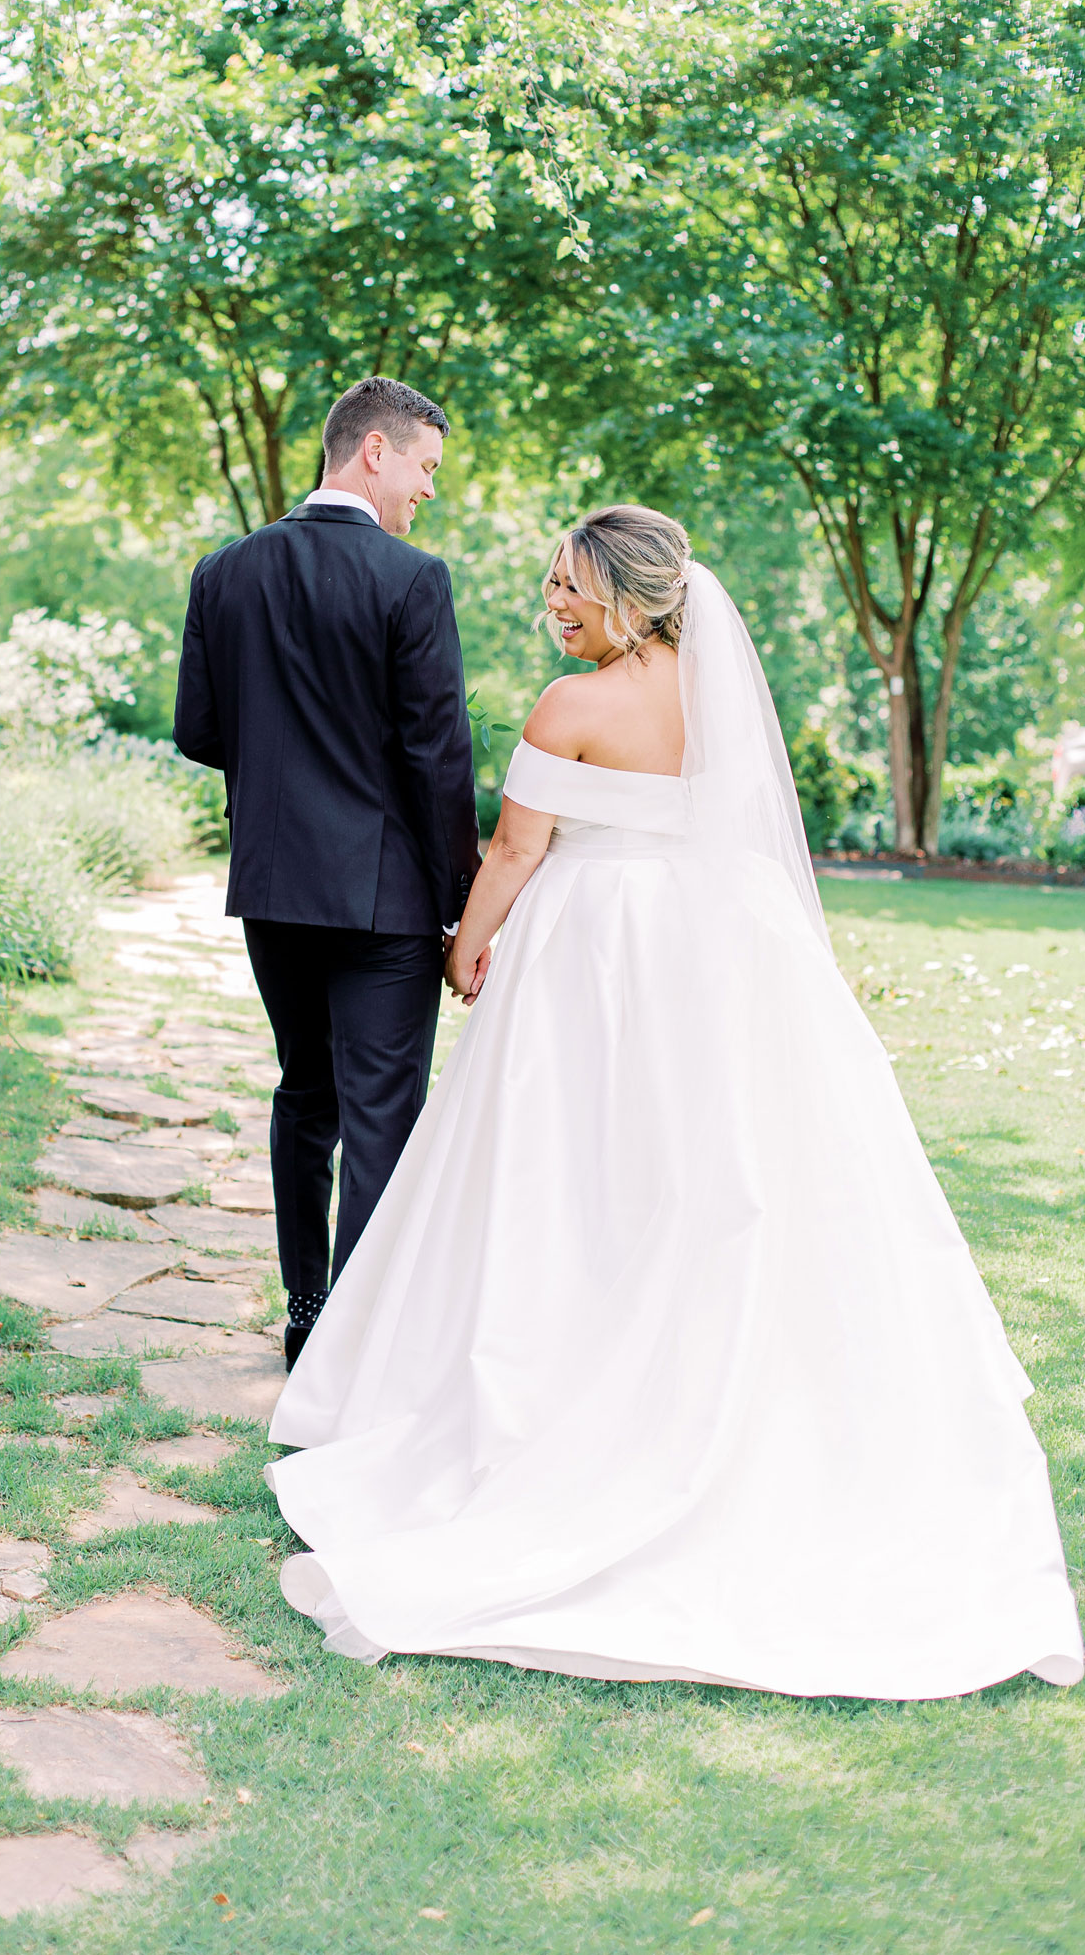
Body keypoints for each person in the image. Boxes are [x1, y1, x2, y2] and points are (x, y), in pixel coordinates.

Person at [267, 504, 1083, 1701]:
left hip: (597, 961)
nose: (553, 605)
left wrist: (463, 951)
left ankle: (564, 1386)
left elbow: (514, 850)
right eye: (552, 582)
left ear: (633, 598)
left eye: (571, 588)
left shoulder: (571, 705)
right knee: (717, 1176)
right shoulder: (719, 701)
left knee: (576, 1173)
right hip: (720, 959)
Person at [174, 376, 481, 1369]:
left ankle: (309, 1315)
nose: (426, 490)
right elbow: (438, 758)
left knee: (305, 1095)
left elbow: (199, 732)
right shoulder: (410, 580)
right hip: (385, 901)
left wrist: (283, 776)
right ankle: (360, 1341)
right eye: (425, 467)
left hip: (275, 891)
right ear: (375, 453)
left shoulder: (224, 573)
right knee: (382, 1111)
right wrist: (462, 902)